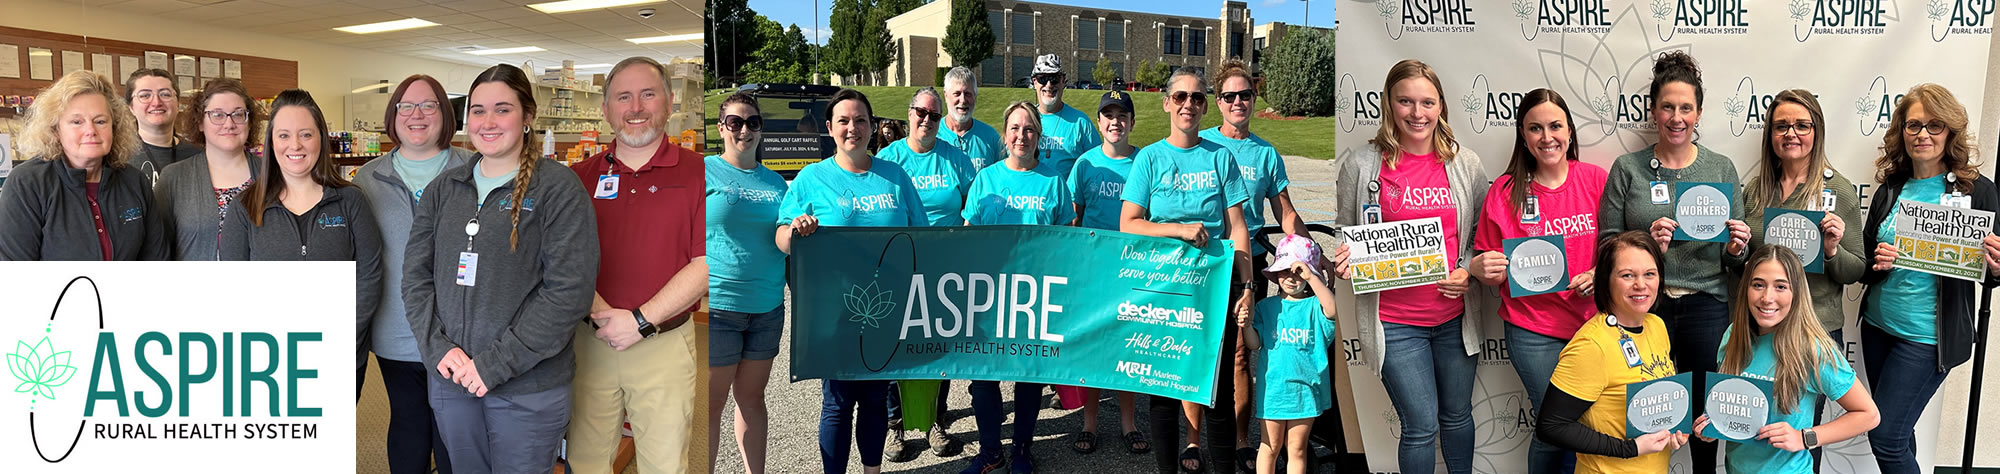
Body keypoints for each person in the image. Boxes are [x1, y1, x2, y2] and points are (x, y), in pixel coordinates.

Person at [403, 63, 600, 474]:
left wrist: (494, 365)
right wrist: (438, 348)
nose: (488, 122)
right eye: (478, 111)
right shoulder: (444, 189)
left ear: (527, 117)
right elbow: (416, 279)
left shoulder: (558, 189)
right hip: (454, 377)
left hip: (526, 387)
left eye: (502, 109)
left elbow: (569, 292)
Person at [1327, 59, 1490, 474]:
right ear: (1389, 104)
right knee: (1419, 426)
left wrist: (1466, 269)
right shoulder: (1363, 164)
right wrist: (1348, 258)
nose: (1417, 113)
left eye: (1427, 102)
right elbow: (1346, 230)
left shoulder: (1465, 164)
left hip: (1454, 320)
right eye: (1406, 101)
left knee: (1457, 416)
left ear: (1441, 106)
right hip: (1395, 324)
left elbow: (1481, 235)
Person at [1596, 51, 1747, 472]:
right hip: (1644, 305)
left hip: (1706, 305)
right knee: (1646, 409)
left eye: (1685, 108)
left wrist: (1737, 249)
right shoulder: (1628, 169)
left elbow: (1738, 259)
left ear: (1698, 113)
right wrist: (1647, 249)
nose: (1676, 117)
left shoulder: (1721, 168)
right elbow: (1607, 247)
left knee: (1703, 416)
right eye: (1667, 107)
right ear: (1653, 111)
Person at [776, 88, 927, 474]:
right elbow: (781, 238)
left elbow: (923, 237)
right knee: (838, 402)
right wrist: (796, 230)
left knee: (876, 399)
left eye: (861, 120)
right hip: (836, 312)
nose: (852, 128)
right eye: (843, 120)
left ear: (872, 126)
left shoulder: (895, 177)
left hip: (887, 308)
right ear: (829, 127)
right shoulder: (812, 178)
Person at [566, 56, 706, 474]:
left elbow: (706, 262)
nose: (636, 108)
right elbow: (561, 259)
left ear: (669, 102)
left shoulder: (701, 173)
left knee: (664, 463)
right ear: (606, 109)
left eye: (648, 94)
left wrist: (640, 321)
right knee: (584, 460)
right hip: (589, 340)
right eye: (623, 97)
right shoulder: (576, 178)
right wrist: (603, 316)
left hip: (663, 345)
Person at [1857, 83, 2000, 474]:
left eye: (1934, 125)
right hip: (1878, 328)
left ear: (1950, 131)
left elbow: (1989, 275)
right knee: (1898, 436)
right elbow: (1864, 262)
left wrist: (1996, 266)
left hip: (1927, 339)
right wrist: (1877, 261)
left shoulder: (1977, 191)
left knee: (1885, 439)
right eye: (1914, 125)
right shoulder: (1891, 188)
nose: (1923, 134)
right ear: (1902, 131)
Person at [1120, 67, 1253, 474]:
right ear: (1166, 103)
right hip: (1164, 287)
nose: (1188, 104)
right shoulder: (1150, 158)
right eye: (1180, 96)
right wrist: (1178, 230)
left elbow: (1237, 227)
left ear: (1205, 106)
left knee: (1216, 391)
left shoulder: (1220, 157)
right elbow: (1129, 223)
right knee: (1163, 389)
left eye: (1197, 97)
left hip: (1213, 288)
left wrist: (1247, 286)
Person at [1467, 88, 1604, 473]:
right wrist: (1483, 268)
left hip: (1594, 327)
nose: (1547, 137)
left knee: (1589, 424)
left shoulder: (1595, 180)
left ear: (1570, 131)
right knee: (1553, 424)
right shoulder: (1504, 191)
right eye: (1535, 128)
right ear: (1523, 136)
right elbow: (1484, 259)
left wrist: (1599, 273)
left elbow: (1620, 247)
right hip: (1533, 330)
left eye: (1555, 126)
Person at [1733, 89, 1867, 467]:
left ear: (1816, 131)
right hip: (1762, 330)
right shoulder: (1757, 190)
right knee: (1760, 425)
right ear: (1770, 135)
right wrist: (1737, 251)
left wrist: (1832, 251)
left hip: (1813, 331)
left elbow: (1856, 269)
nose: (1791, 134)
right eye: (1781, 126)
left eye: (1802, 125)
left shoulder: (1837, 190)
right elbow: (1745, 267)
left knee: (1802, 433)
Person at [353, 73, 476, 474]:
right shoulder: (368, 178)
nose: (416, 114)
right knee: (409, 423)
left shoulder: (474, 169)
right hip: (397, 327)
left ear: (446, 113)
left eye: (428, 105)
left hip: (461, 332)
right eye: (406, 106)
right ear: (393, 115)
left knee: (454, 431)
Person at [952, 101, 1077, 474]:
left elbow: (1068, 242)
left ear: (1038, 137)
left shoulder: (1054, 182)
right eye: (1015, 129)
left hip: (1034, 296)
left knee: (1028, 375)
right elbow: (969, 236)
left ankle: (1022, 449)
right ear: (1005, 135)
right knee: (983, 377)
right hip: (989, 294)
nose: (1022, 136)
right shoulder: (986, 179)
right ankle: (990, 450)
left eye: (1029, 129)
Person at [236, 89, 384, 399]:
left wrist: (341, 337)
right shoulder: (246, 206)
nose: (295, 145)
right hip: (270, 361)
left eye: (306, 134)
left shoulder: (350, 201)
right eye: (284, 135)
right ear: (271, 142)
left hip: (341, 356)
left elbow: (369, 276)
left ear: (321, 138)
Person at [1199, 59, 1307, 472]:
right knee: (1203, 351)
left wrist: (1311, 252)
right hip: (1206, 259)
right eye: (1229, 96)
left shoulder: (1265, 153)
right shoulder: (1203, 144)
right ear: (1218, 101)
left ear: (1253, 98)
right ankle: (1193, 440)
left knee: (1242, 354)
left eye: (1245, 94)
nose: (1238, 102)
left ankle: (1242, 439)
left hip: (1249, 260)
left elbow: (1286, 212)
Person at [1694, 246, 1880, 473]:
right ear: (1746, 288)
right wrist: (1714, 427)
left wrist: (1805, 438)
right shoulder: (1733, 336)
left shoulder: (1812, 349)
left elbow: (1868, 415)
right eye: (1758, 285)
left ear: (1797, 293)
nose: (1767, 298)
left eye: (1780, 286)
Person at [875, 87, 977, 462]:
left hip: (942, 270)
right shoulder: (888, 159)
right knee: (894, 347)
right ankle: (894, 425)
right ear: (909, 113)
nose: (927, 120)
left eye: (935, 115)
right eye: (921, 113)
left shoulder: (956, 160)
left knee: (937, 347)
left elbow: (973, 210)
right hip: (897, 267)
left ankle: (936, 419)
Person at [1536, 230, 1689, 473]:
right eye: (1627, 275)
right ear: (1606, 281)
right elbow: (1551, 426)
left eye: (1649, 274)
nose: (1641, 285)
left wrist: (1671, 430)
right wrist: (1629, 449)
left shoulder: (1656, 326)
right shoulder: (1592, 345)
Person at [0, 69, 169, 261]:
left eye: (100, 121)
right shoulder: (27, 183)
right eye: (76, 122)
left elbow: (156, 261)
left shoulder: (134, 181)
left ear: (114, 127)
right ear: (56, 130)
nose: (90, 130)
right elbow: (15, 271)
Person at [708, 91, 789, 474]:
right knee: (710, 408)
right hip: (718, 308)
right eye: (735, 122)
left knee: (752, 400)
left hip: (766, 308)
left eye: (752, 122)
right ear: (721, 127)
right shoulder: (704, 171)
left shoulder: (777, 183)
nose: (745, 130)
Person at [1068, 89, 1148, 456]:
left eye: (1122, 116)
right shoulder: (1085, 164)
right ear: (1099, 123)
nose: (1116, 122)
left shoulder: (1144, 161)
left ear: (1132, 122)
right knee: (1095, 346)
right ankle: (1089, 422)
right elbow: (1075, 218)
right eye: (1109, 116)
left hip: (1132, 267)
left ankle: (1129, 423)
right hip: (1094, 269)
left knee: (1127, 345)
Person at [1239, 235, 1337, 474]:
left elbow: (1333, 310)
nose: (1292, 278)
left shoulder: (1315, 306)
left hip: (1306, 391)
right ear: (1275, 273)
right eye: (1284, 271)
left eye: (1298, 272)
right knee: (1269, 446)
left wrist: (1312, 277)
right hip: (1273, 390)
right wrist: (1246, 325)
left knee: (1297, 449)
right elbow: (1254, 343)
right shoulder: (1265, 307)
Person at [155, 78, 263, 261]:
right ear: (200, 122)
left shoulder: (273, 174)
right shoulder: (173, 178)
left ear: (249, 121)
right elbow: (157, 250)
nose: (229, 124)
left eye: (238, 114)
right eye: (217, 115)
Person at [122, 68, 200, 185]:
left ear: (178, 104)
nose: (156, 103)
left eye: (165, 94)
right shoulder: (119, 157)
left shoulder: (197, 156)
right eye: (145, 95)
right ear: (131, 107)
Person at [1029, 54, 1100, 174]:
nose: (1049, 85)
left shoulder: (1080, 123)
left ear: (1063, 81)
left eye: (1054, 78)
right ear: (1034, 82)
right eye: (1043, 79)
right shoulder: (1026, 119)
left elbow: (1097, 164)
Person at [939, 66, 1003, 170]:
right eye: (957, 94)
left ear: (975, 96)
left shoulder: (990, 137)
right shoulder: (934, 135)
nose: (963, 100)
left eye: (968, 94)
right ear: (946, 96)